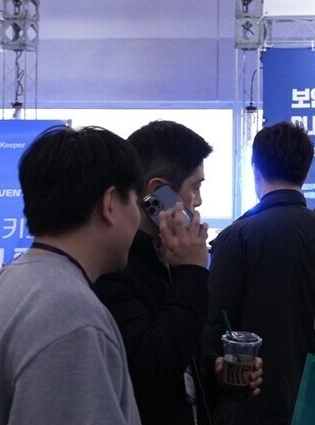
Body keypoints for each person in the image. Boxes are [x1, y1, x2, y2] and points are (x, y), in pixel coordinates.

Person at [0, 125, 143, 425]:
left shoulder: (9, 283)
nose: (137, 217)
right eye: (135, 201)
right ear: (110, 204)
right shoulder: (71, 315)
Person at [204, 120, 315, 425]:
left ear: (255, 170)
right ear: (306, 173)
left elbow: (215, 327)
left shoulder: (236, 237)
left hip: (250, 404)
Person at [94, 120, 230, 425]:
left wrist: (212, 369)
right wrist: (191, 272)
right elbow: (153, 366)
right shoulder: (114, 265)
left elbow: (176, 346)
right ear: (158, 192)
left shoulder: (164, 256)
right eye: (195, 187)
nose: (198, 201)